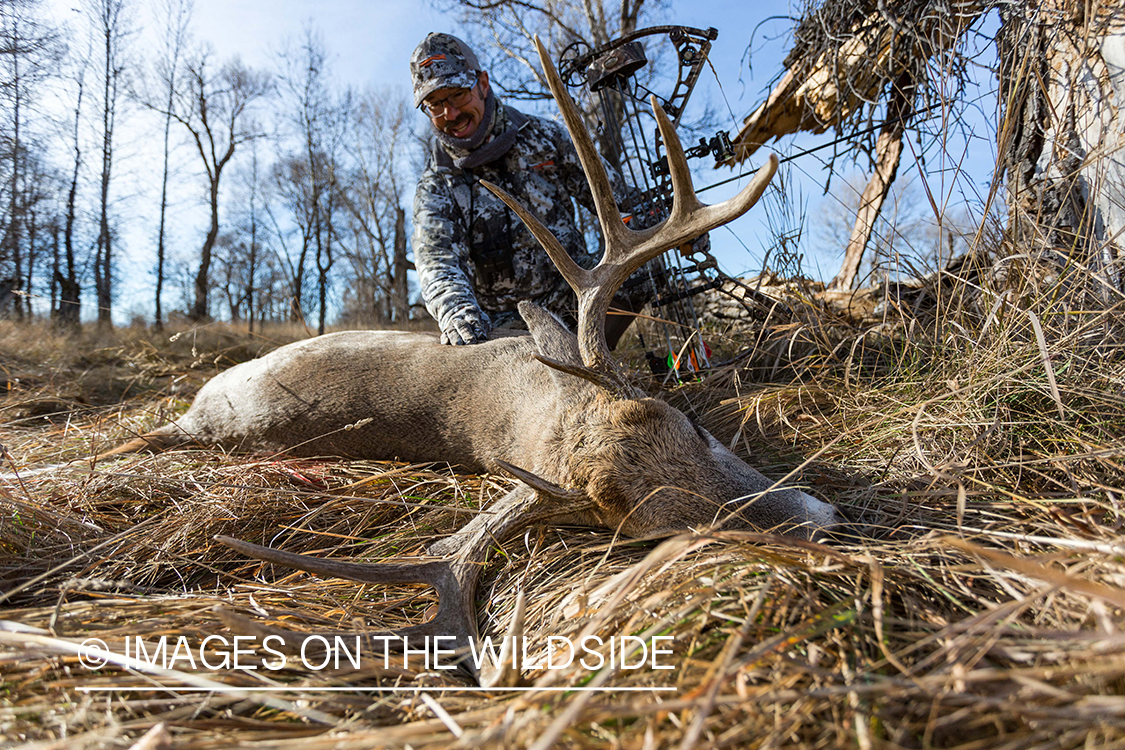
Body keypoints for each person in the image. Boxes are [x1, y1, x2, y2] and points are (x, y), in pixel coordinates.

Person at [410, 32, 651, 347]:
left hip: (579, 299)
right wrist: (457, 313)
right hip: (505, 331)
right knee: (466, 344)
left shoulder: (546, 137)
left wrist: (663, 220)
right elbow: (436, 258)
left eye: (457, 95)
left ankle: (594, 359)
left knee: (647, 263)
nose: (450, 115)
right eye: (435, 105)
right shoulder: (437, 182)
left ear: (482, 84)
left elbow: (615, 197)